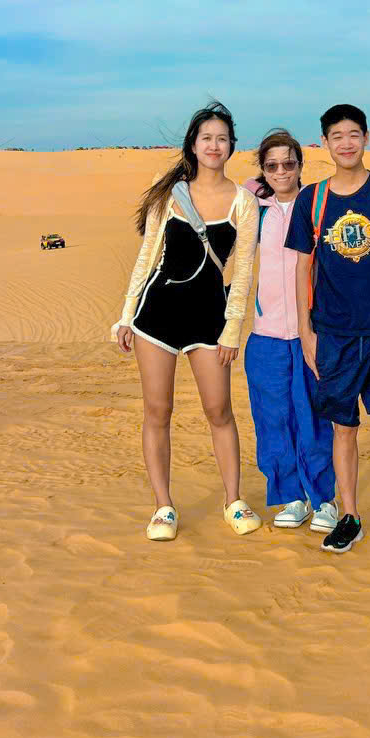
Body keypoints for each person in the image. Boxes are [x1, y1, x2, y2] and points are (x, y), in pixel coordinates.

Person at [242, 128, 370, 535]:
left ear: (301, 164)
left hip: (316, 330)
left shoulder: (316, 202)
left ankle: (323, 499)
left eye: (289, 163)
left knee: (317, 418)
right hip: (267, 330)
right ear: (262, 169)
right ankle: (291, 496)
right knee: (273, 418)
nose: (281, 171)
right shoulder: (251, 207)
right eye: (271, 165)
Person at [112, 102, 261, 542]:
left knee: (219, 410)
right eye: (206, 138)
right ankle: (163, 507)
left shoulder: (243, 201)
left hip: (210, 317)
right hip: (156, 315)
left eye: (222, 139)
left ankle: (233, 501)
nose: (214, 146)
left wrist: (232, 329)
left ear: (231, 146)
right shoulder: (170, 195)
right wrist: (126, 315)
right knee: (158, 411)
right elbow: (148, 256)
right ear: (193, 145)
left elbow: (243, 272)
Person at [285, 104, 370, 561]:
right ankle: (350, 516)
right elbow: (302, 268)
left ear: (366, 137)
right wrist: (305, 330)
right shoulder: (313, 199)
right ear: (325, 143)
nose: (346, 143)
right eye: (337, 136)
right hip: (333, 334)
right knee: (343, 428)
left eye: (354, 134)